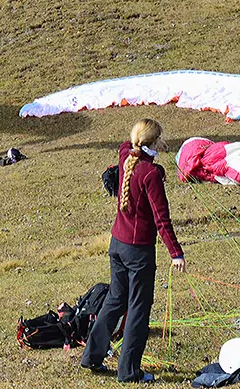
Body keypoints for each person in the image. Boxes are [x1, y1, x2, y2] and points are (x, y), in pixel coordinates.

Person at [81, 118, 186, 383]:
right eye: (160, 138)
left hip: (117, 244)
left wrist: (153, 158)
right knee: (138, 307)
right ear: (155, 142)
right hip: (138, 252)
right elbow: (162, 219)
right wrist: (176, 253)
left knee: (116, 299)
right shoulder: (150, 174)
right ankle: (128, 372)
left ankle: (91, 356)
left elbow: (129, 145)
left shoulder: (125, 154)